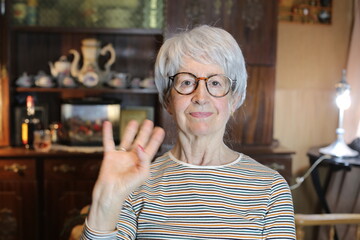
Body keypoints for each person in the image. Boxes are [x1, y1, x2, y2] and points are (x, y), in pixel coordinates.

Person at [81, 25, 295, 239]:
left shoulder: (270, 188)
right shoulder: (135, 180)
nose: (201, 97)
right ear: (168, 100)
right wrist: (105, 204)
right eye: (186, 82)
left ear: (235, 100)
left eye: (215, 82)